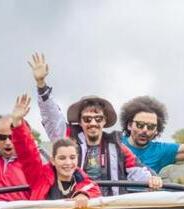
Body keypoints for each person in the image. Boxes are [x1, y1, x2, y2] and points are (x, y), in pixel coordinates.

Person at [28, 53, 161, 192]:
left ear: (104, 121)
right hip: (74, 208)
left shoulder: (117, 147)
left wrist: (152, 178)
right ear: (80, 121)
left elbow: (138, 170)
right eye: (87, 119)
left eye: (98, 119)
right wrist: (41, 85)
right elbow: (52, 117)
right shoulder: (68, 139)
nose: (93, 123)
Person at [9, 94, 102, 209]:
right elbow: (27, 152)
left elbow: (93, 188)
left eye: (72, 157)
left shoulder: (82, 179)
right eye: (62, 158)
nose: (68, 163)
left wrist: (83, 194)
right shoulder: (40, 176)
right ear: (52, 160)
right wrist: (17, 123)